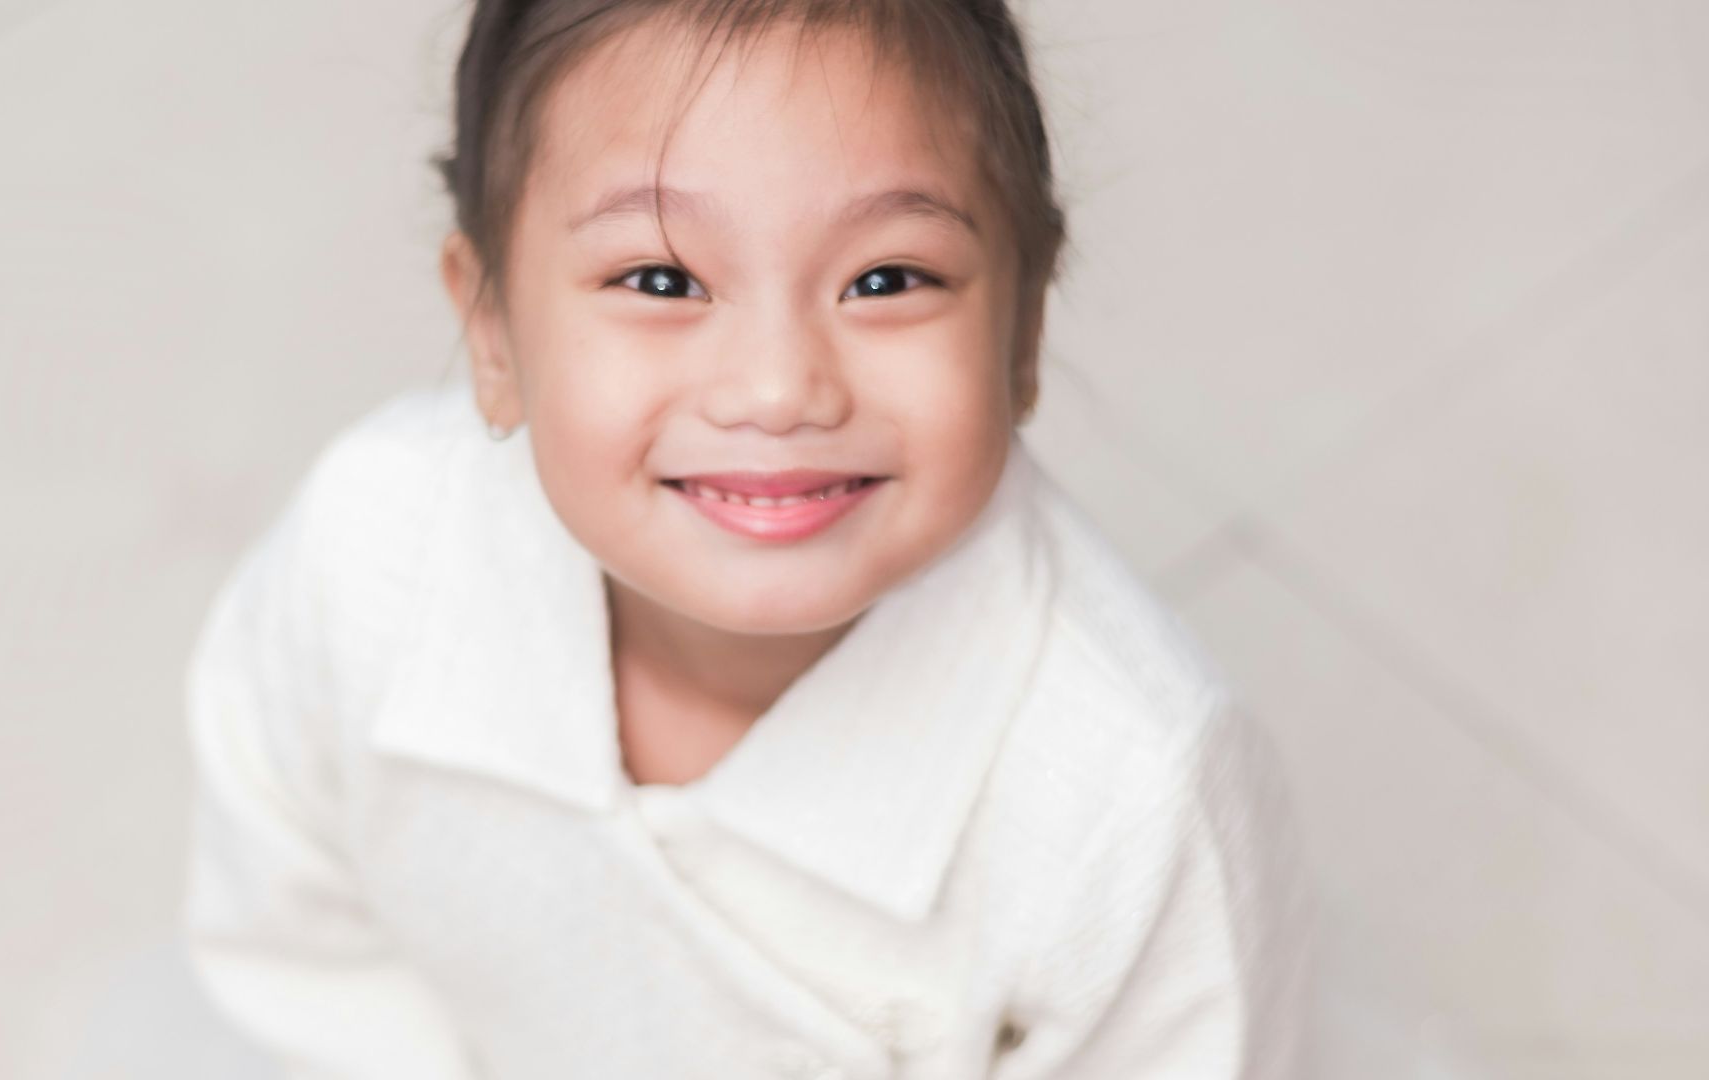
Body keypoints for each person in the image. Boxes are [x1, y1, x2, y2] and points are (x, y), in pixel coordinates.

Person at [180, 1, 1317, 1077]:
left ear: (1022, 330)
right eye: (661, 278)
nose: (778, 390)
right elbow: (302, 932)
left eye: (886, 279)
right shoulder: (372, 549)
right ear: (491, 331)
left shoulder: (1135, 800)